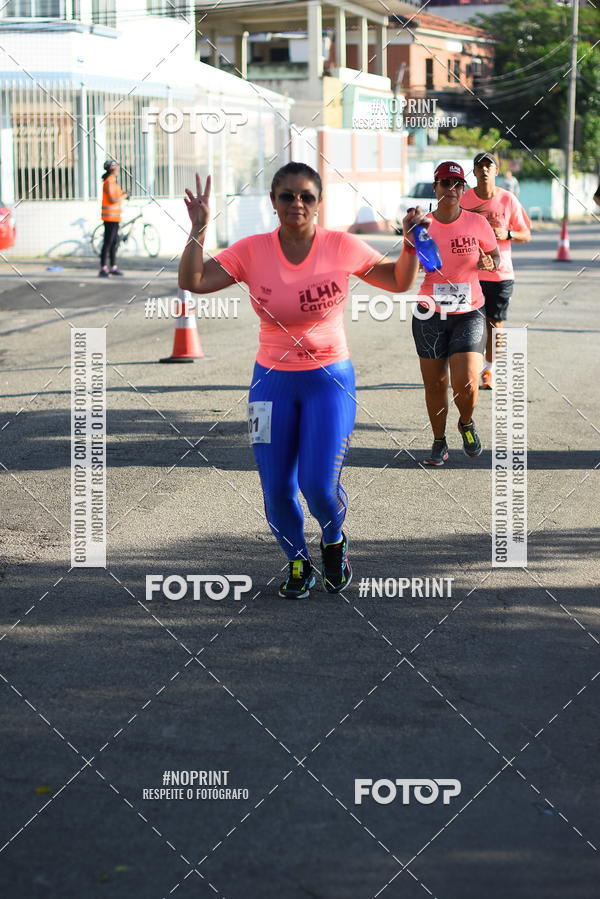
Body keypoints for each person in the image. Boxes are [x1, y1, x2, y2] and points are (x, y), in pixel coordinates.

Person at [178, 162, 425, 599]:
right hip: (270, 384)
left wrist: (408, 246)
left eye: (306, 196)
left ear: (318, 203)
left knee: (318, 485)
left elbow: (399, 283)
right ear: (273, 201)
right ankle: (297, 563)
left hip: (329, 380)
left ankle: (333, 539)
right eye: (287, 195)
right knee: (275, 491)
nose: (297, 203)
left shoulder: (340, 246)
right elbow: (193, 280)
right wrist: (199, 229)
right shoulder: (252, 250)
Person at [408, 161, 500, 466]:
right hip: (429, 313)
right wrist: (412, 248)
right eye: (445, 183)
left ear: (464, 188)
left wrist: (489, 263)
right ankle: (438, 441)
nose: (452, 189)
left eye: (458, 184)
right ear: (435, 188)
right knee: (435, 384)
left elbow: (494, 254)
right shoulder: (423, 226)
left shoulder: (476, 222)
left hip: (469, 311)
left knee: (467, 382)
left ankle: (466, 422)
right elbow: (407, 267)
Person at [461, 152, 531, 389]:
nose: (484, 170)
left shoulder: (508, 200)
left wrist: (508, 234)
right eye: (479, 166)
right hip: (468, 273)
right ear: (474, 171)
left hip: (500, 274)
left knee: (494, 324)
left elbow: (526, 233)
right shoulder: (464, 200)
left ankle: (489, 369)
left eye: (488, 166)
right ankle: (469, 367)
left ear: (496, 171)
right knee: (467, 324)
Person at [99, 160, 126, 277]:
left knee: (114, 242)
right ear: (112, 169)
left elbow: (116, 196)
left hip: (114, 217)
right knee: (108, 242)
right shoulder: (109, 181)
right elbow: (112, 199)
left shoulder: (113, 182)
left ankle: (113, 267)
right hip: (109, 218)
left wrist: (122, 194)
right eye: (117, 168)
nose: (118, 170)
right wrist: (124, 196)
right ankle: (103, 268)